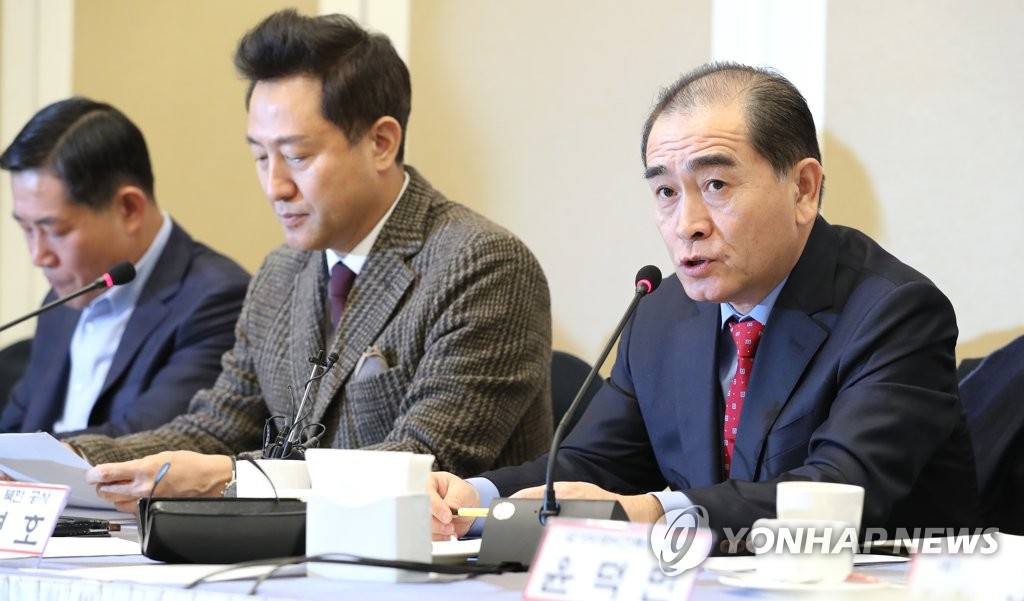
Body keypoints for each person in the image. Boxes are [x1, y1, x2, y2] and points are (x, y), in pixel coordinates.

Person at [430, 62, 979, 544]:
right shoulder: (662, 311)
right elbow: (593, 465)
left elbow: (837, 494)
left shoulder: (894, 314)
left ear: (804, 189)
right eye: (666, 192)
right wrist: (472, 498)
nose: (686, 225)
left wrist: (651, 515)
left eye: (715, 184)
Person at [76, 10, 552, 511]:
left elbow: (422, 460)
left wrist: (232, 477)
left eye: (297, 156)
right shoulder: (280, 273)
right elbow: (216, 427)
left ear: (381, 143)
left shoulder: (484, 265)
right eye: (261, 157)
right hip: (293, 546)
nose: (274, 186)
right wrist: (75, 460)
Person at [0, 97, 250, 437]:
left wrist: (25, 457)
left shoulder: (217, 300)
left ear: (129, 209)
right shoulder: (62, 299)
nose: (38, 256)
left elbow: (146, 440)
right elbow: (17, 425)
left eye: (55, 230)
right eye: (27, 229)